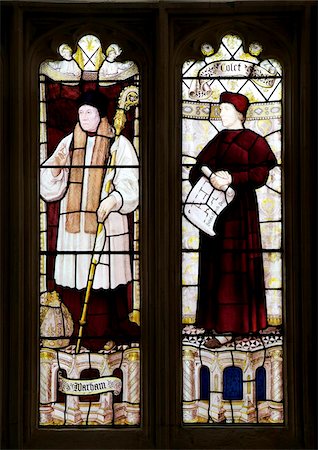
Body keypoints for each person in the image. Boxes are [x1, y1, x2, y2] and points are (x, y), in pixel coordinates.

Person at [40, 90, 140, 351]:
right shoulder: (69, 143)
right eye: (81, 112)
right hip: (73, 229)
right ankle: (78, 334)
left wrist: (114, 200)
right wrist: (55, 169)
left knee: (104, 282)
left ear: (100, 115)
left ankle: (105, 335)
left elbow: (131, 185)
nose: (84, 117)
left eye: (89, 112)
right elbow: (49, 187)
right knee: (76, 280)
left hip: (106, 224)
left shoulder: (118, 144)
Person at [189, 92, 277, 348]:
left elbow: (261, 173)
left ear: (240, 113)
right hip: (213, 213)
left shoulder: (253, 140)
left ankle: (240, 325)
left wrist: (232, 179)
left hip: (240, 212)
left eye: (226, 109)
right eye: (221, 109)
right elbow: (198, 168)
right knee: (216, 265)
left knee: (238, 266)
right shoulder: (217, 140)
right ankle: (216, 322)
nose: (222, 114)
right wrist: (210, 176)